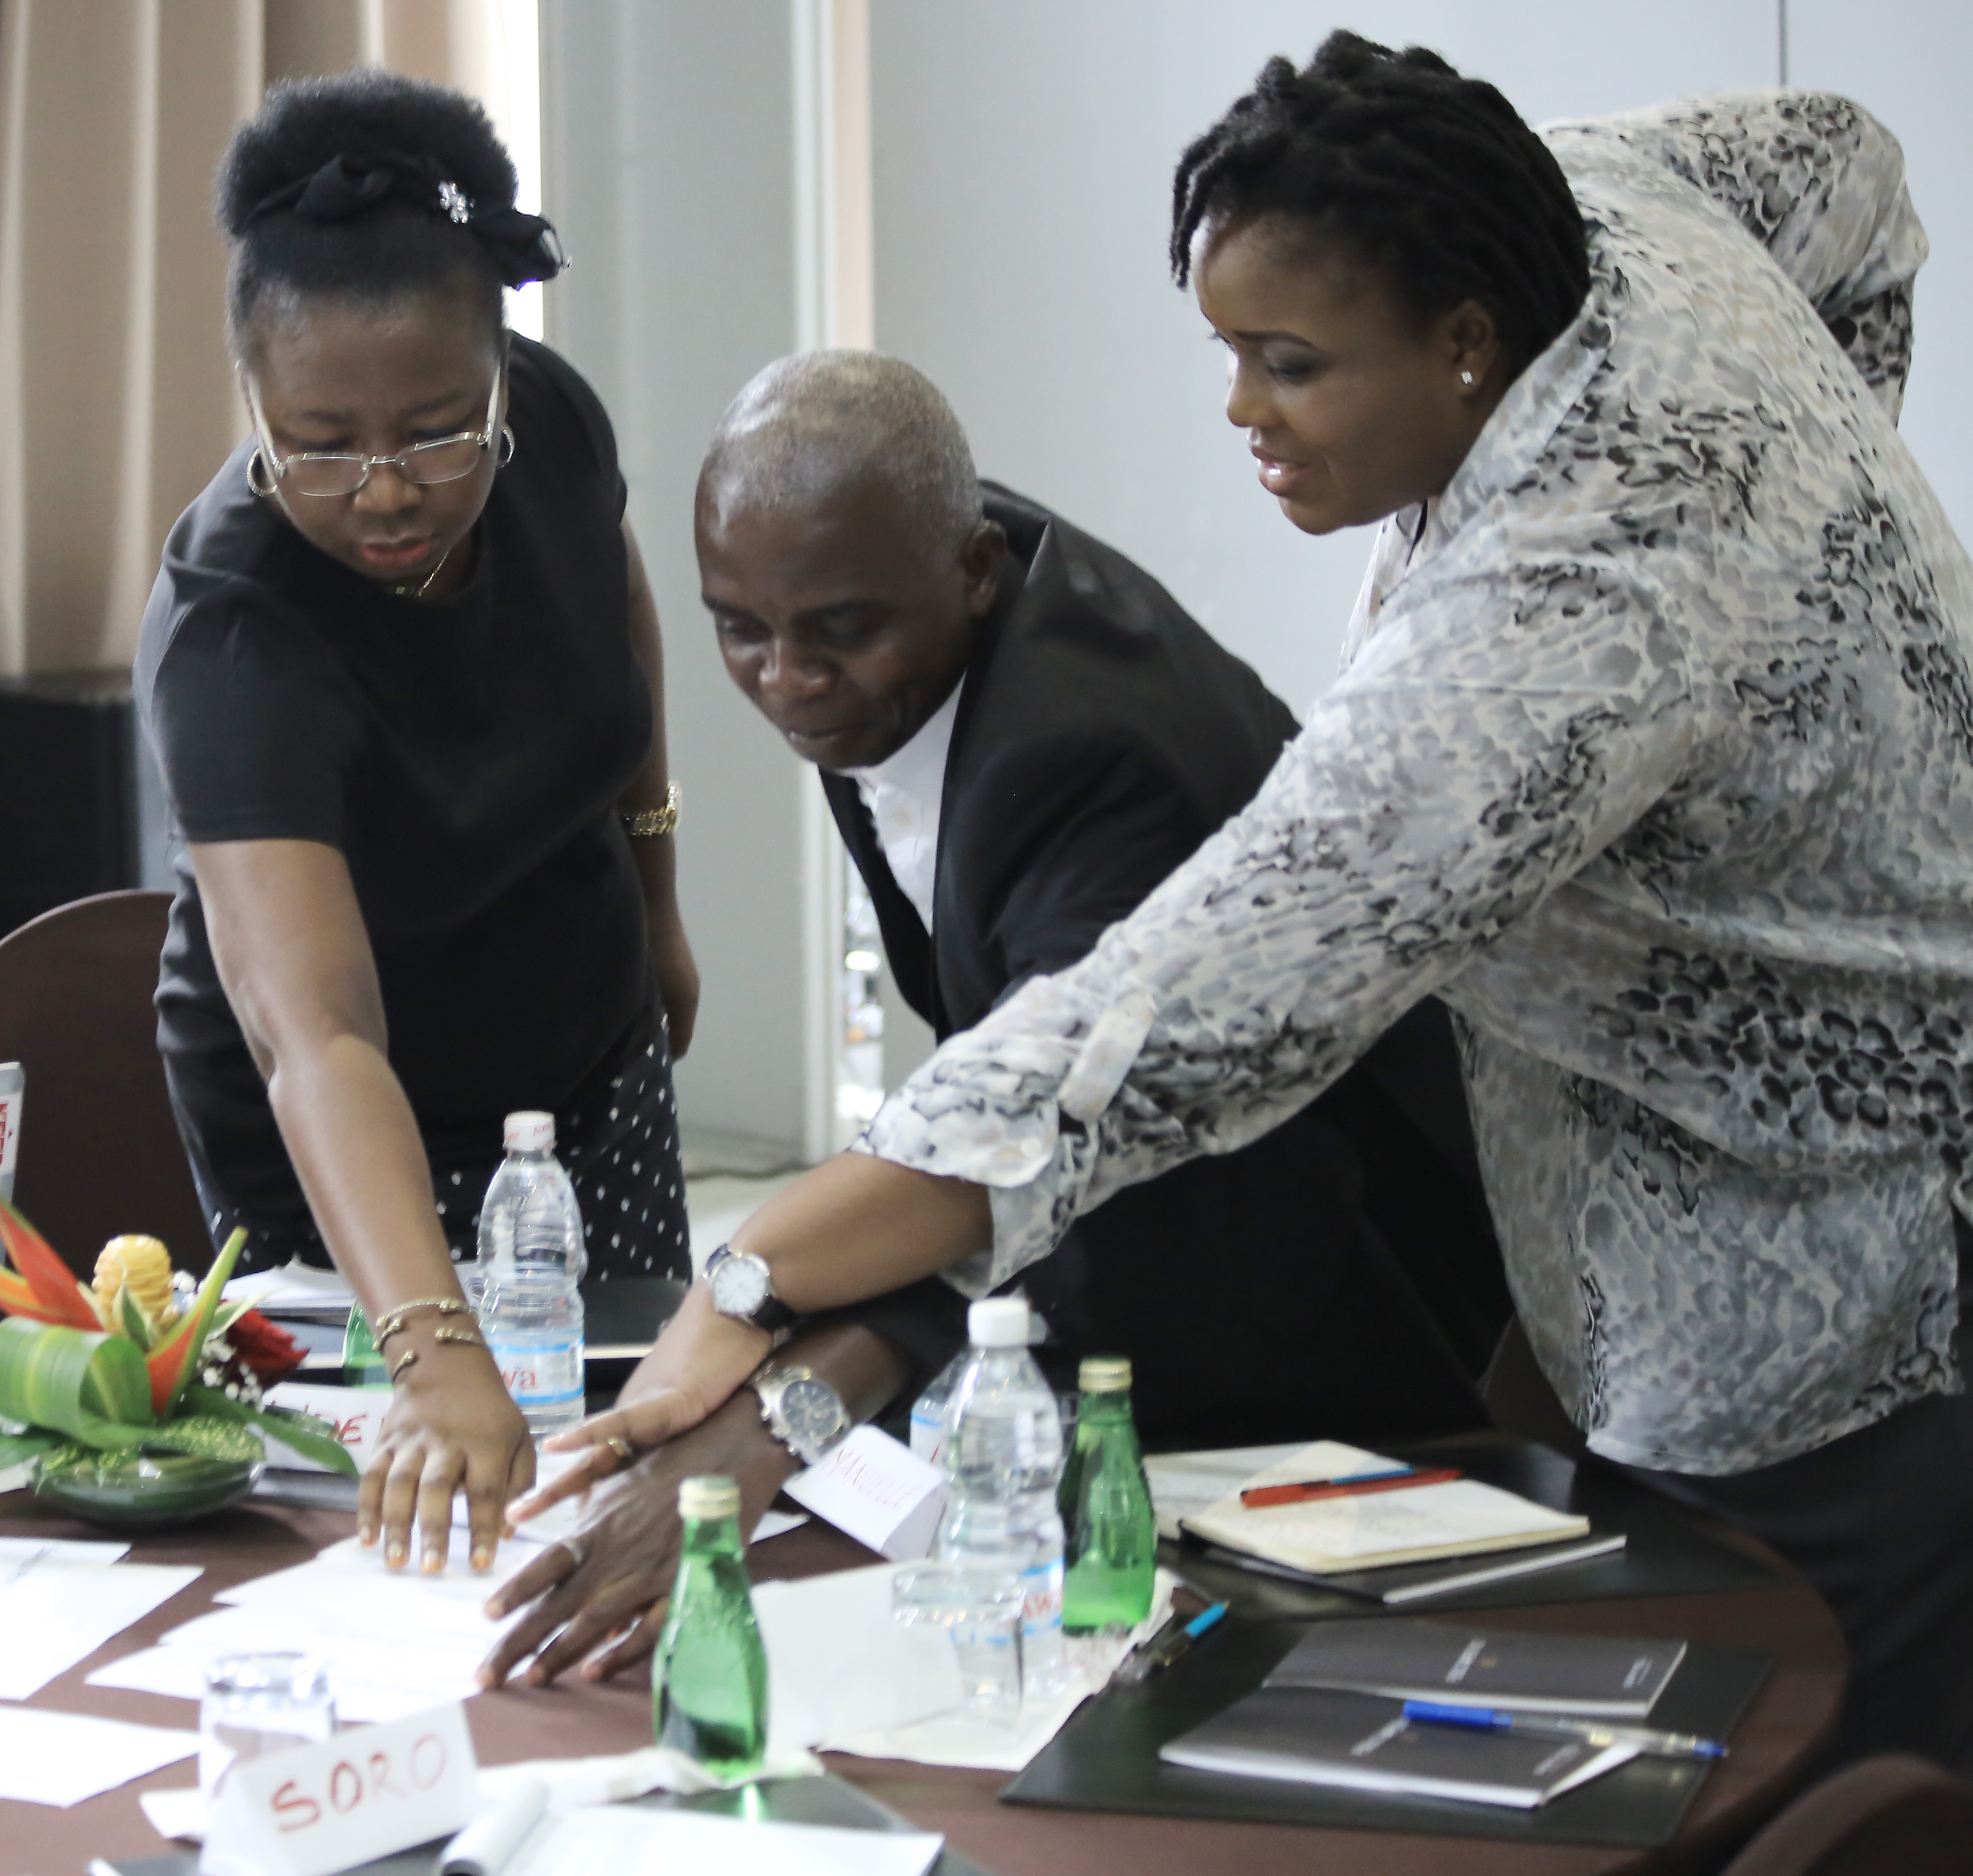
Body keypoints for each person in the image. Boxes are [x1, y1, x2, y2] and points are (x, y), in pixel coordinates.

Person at [533, 36, 1973, 1771]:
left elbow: (1160, 1024)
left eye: (1292, 364)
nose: (1240, 409)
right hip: (1685, 1195)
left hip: (1858, 1272)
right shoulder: (1584, 208)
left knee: (1805, 1778)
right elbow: (1848, 165)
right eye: (1229, 348)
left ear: (1466, 341)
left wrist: (748, 1275)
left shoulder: (1562, 622)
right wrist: (1816, 598)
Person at [480, 349, 1511, 1683]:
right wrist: (779, 1395)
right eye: (740, 629)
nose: (788, 679)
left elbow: (1031, 1141)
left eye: (835, 631)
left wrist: (758, 1330)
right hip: (1127, 1240)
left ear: (970, 573)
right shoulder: (887, 596)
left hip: (1319, 1309)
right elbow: (983, 1107)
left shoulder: (1097, 757)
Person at [136, 72, 696, 1575]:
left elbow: (619, 616)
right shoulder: (232, 630)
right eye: (318, 443)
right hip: (345, 1127)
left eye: (440, 432)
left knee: (629, 1455)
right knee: (404, 1517)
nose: (385, 491)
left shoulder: (551, 426)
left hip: (580, 1050)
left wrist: (658, 898)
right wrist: (435, 1347)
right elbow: (316, 1035)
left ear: (502, 373)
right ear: (251, 395)